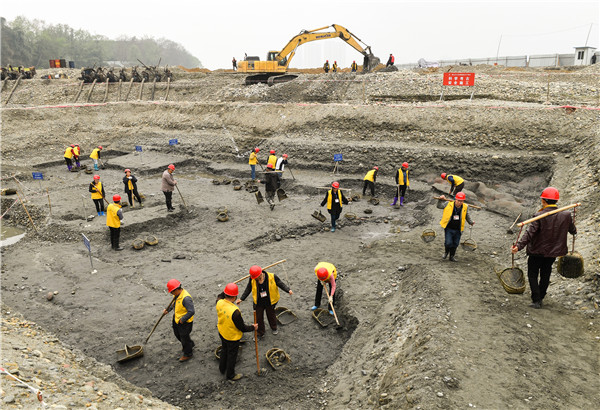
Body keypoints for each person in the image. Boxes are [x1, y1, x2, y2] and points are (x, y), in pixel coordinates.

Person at [511, 187, 577, 309]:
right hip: (553, 252)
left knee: (532, 274)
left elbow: (529, 234)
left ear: (543, 201)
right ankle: (541, 297)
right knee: (546, 274)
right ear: (556, 201)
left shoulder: (539, 216)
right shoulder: (566, 215)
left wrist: (518, 246)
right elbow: (573, 230)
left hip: (537, 251)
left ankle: (536, 300)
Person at [216, 283, 257, 381]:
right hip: (232, 337)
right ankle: (230, 375)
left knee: (224, 350)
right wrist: (253, 327)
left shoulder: (219, 302)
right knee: (232, 355)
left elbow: (220, 295)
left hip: (222, 332)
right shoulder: (235, 312)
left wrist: (228, 289)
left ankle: (222, 368)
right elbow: (242, 327)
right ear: (234, 297)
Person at [237, 265, 293, 339]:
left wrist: (288, 290)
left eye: (256, 277)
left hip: (270, 301)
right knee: (258, 318)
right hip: (258, 302)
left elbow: (280, 283)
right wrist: (242, 298)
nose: (255, 279)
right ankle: (260, 333)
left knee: (271, 315)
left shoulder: (272, 276)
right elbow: (248, 288)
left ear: (260, 274)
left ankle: (274, 327)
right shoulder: (252, 279)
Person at [164, 279, 195, 362]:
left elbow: (191, 311)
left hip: (184, 322)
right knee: (177, 334)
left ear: (177, 289)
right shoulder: (177, 295)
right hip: (177, 319)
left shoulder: (186, 298)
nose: (171, 294)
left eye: (172, 292)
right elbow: (174, 303)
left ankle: (188, 353)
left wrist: (183, 319)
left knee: (184, 337)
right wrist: (168, 309)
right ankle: (190, 344)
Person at [439, 192, 474, 261]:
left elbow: (467, 215)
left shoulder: (465, 207)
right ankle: (446, 252)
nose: (460, 202)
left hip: (458, 229)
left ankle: (451, 256)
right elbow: (439, 206)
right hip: (448, 227)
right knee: (448, 243)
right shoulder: (448, 204)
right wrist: (440, 200)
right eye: (458, 201)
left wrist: (471, 222)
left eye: (461, 201)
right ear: (455, 199)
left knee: (455, 244)